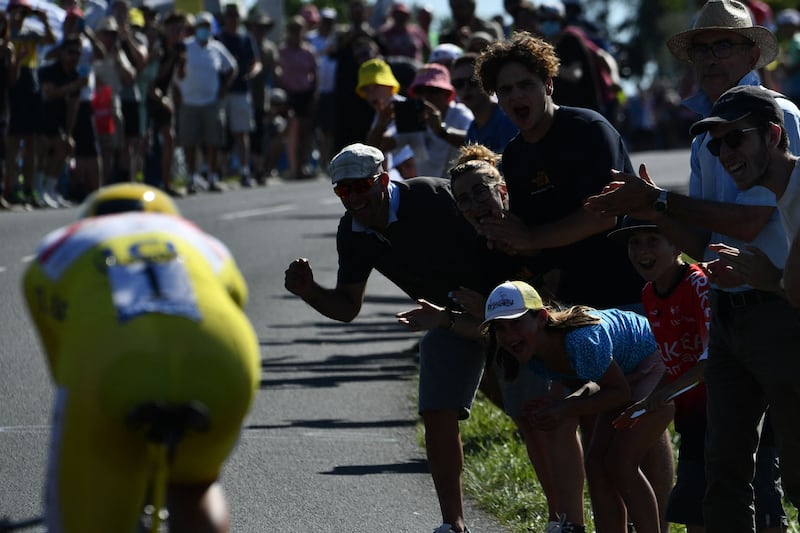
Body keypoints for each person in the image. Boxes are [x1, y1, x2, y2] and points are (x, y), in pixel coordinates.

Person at [584, 2, 800, 529]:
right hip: (728, 314)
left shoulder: (777, 114)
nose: (708, 57)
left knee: (792, 472)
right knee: (720, 467)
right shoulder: (707, 131)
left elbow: (750, 224)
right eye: (700, 48)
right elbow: (701, 241)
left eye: (722, 44)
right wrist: (643, 207)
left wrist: (658, 202)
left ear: (753, 52)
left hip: (781, 309)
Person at [474, 31, 675, 530]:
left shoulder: (588, 129)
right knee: (592, 423)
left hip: (630, 287)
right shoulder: (515, 156)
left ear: (547, 83)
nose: (516, 98)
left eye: (525, 85)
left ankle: (666, 520)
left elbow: (606, 215)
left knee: (639, 421)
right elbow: (522, 235)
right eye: (505, 91)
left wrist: (534, 239)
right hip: (573, 305)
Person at [23, 183, 260, 533]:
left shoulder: (57, 248)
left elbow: (62, 374)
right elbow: (235, 303)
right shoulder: (203, 242)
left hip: (109, 367)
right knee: (195, 486)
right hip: (222, 358)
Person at [285, 143, 492, 533]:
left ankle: (562, 519)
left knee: (534, 413)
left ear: (383, 179)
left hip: (500, 306)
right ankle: (454, 524)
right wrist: (310, 291)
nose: (354, 198)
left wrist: (494, 303)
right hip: (444, 320)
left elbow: (494, 235)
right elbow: (348, 306)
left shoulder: (431, 197)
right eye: (343, 191)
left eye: (361, 186)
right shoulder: (354, 231)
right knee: (436, 410)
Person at [447, 147, 586, 532]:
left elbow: (557, 286)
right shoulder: (475, 249)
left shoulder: (533, 229)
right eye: (463, 199)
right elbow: (478, 310)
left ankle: (574, 518)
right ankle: (556, 515)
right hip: (513, 350)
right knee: (530, 423)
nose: (474, 204)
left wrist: (492, 307)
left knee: (557, 421)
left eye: (481, 191)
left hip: (557, 342)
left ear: (503, 190)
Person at [482, 280, 671, 533]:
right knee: (596, 464)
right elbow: (594, 384)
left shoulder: (579, 340)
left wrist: (564, 409)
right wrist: (561, 404)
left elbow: (619, 392)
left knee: (621, 462)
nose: (508, 335)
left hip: (655, 362)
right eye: (500, 328)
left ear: (541, 317)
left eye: (516, 323)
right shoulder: (534, 355)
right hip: (625, 375)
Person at [609, 217, 712, 532]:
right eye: (634, 242)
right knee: (694, 507)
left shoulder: (697, 282)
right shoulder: (649, 294)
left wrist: (664, 395)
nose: (642, 250)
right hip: (693, 417)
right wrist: (646, 403)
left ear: (677, 245)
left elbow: (713, 360)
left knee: (726, 502)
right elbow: (675, 364)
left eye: (652, 240)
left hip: (726, 412)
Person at [217, 3, 260, 186]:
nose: (233, 19)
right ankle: (217, 170)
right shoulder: (218, 38)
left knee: (242, 133)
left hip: (241, 91)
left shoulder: (245, 38)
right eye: (230, 15)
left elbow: (255, 61)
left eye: (235, 15)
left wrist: (252, 72)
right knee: (217, 133)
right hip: (221, 92)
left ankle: (244, 170)